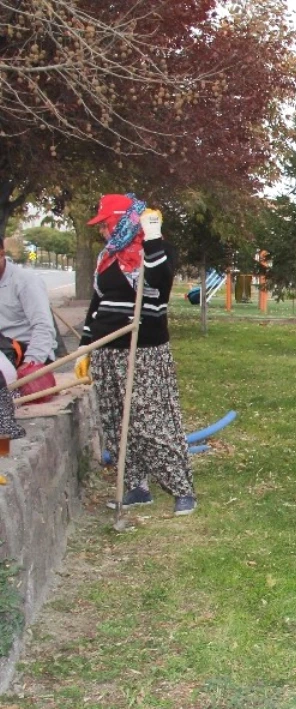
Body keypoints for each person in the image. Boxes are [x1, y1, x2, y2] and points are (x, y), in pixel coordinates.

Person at [77, 194, 197, 516]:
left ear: (124, 219)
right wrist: (84, 348)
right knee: (117, 422)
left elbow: (162, 279)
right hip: (107, 349)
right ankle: (135, 486)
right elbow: (96, 304)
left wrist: (154, 237)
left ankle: (182, 489)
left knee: (152, 421)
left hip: (143, 349)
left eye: (106, 223)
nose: (103, 230)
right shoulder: (108, 256)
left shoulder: (156, 250)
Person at [0, 255, 59, 400]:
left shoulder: (26, 281)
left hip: (25, 353)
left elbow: (44, 326)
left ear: (1, 253)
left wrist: (30, 364)